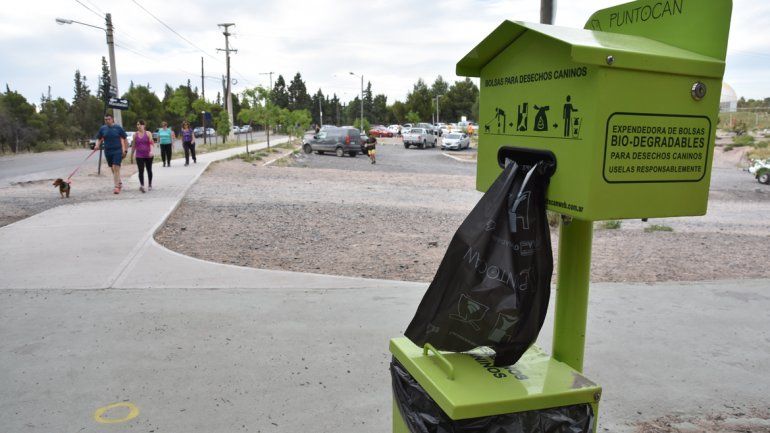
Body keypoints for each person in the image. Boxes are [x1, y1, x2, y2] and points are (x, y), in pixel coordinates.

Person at [96, 114, 128, 194]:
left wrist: (125, 150)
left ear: (112, 119)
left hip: (117, 151)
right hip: (107, 151)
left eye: (109, 119)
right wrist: (97, 145)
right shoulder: (103, 128)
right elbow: (99, 138)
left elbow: (125, 139)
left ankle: (116, 187)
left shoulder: (118, 128)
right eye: (106, 119)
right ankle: (119, 181)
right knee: (112, 168)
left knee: (116, 167)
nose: (107, 121)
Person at [131, 119, 155, 193]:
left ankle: (150, 184)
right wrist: (131, 155)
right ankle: (142, 185)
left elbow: (151, 143)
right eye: (137, 124)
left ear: (144, 125)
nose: (138, 126)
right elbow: (133, 145)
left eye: (140, 124)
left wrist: (151, 151)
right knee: (141, 170)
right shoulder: (135, 135)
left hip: (148, 155)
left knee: (149, 170)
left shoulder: (148, 133)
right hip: (139, 155)